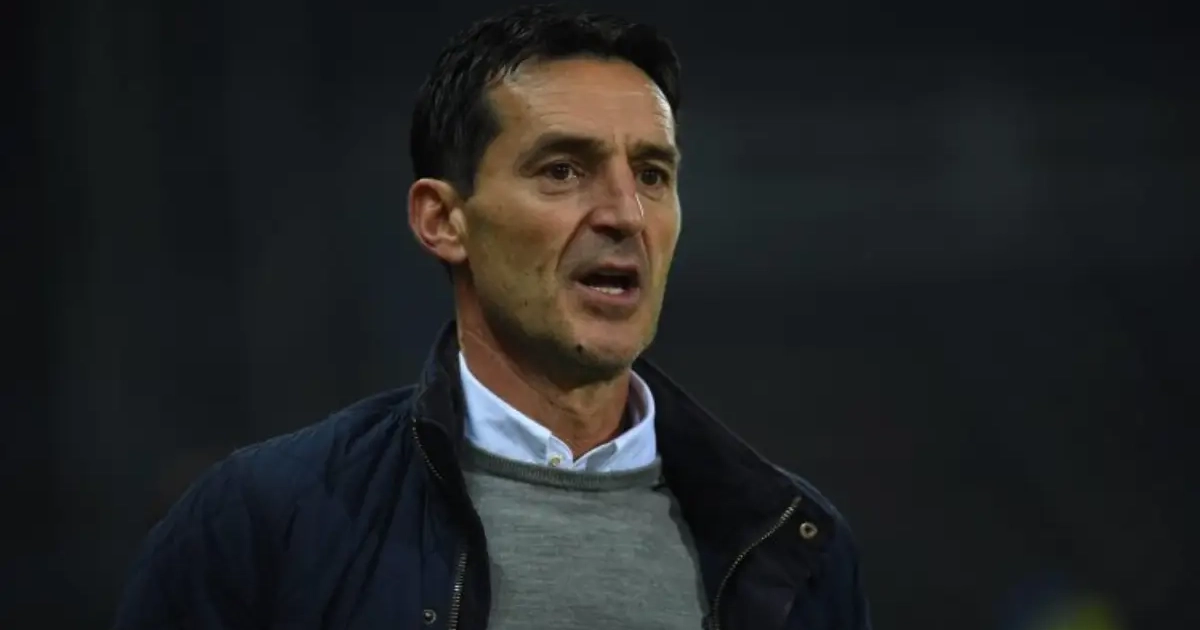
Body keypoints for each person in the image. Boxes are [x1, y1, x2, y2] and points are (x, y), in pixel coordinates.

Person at [113, 5, 870, 629]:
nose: (625, 214)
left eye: (651, 173)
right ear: (443, 220)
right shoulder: (265, 522)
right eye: (563, 170)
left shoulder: (794, 544)